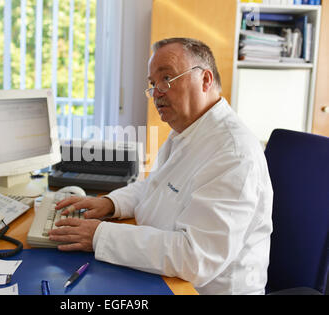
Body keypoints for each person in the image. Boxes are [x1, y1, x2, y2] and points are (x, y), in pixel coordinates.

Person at [48, 38, 273, 295]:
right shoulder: (188, 131)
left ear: (205, 80)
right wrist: (111, 204)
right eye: (153, 84)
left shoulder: (233, 154)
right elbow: (155, 187)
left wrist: (100, 235)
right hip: (166, 277)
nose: (156, 93)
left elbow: (194, 258)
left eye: (167, 78)